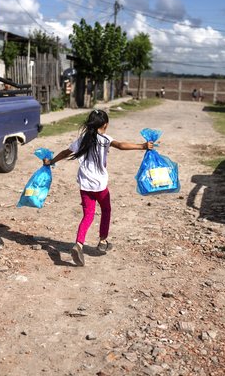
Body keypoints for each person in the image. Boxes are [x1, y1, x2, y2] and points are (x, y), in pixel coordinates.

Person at [44, 109, 154, 266]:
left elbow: (65, 152)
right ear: (105, 124)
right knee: (106, 210)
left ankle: (79, 244)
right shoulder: (105, 139)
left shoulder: (82, 139)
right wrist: (142, 146)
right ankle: (103, 241)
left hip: (85, 185)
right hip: (100, 186)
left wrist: (51, 161)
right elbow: (121, 145)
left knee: (88, 215)